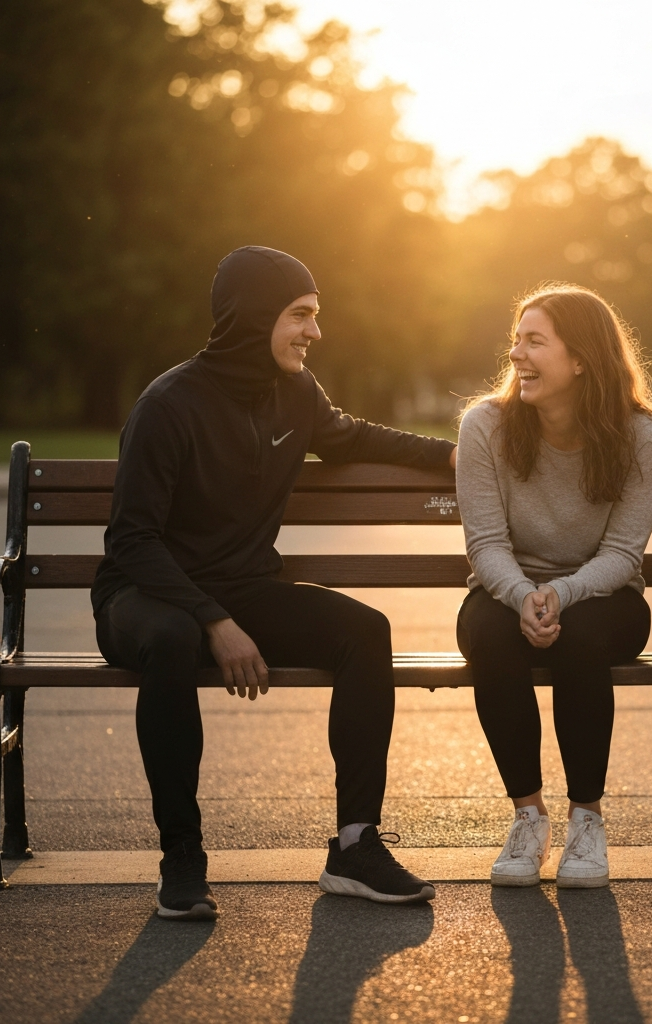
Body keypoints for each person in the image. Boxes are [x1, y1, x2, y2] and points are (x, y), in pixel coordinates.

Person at [91, 246, 456, 918]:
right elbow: (132, 541)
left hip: (242, 589)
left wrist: (460, 454)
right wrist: (214, 620)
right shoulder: (168, 405)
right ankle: (183, 856)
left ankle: (355, 844)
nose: (314, 332)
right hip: (145, 599)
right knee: (172, 639)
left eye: (313, 316)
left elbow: (354, 437)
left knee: (364, 632)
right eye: (300, 316)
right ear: (255, 317)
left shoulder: (295, 392)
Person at [455, 284, 652, 888]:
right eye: (516, 341)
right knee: (489, 637)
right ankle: (528, 817)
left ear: (581, 359)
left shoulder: (639, 436)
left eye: (536, 342)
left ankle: (587, 821)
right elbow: (486, 546)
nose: (518, 355)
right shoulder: (486, 426)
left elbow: (624, 554)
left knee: (579, 637)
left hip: (606, 599)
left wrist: (562, 595)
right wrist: (525, 595)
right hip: (505, 591)